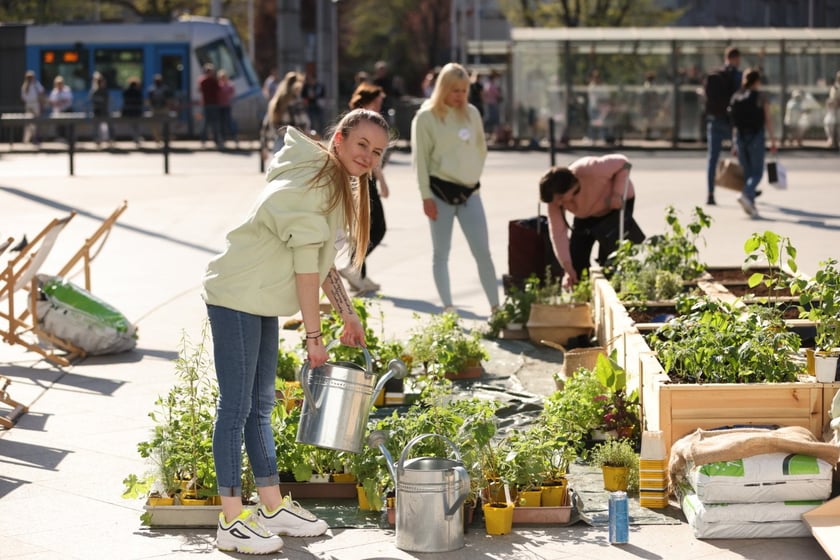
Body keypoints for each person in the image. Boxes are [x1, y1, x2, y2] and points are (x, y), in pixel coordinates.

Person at [202, 108, 390, 554]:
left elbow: (322, 264)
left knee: (260, 404)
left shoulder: (332, 181)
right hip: (236, 295)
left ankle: (271, 505)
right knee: (235, 407)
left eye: (378, 151)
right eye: (362, 144)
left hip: (258, 298)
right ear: (340, 138)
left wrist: (348, 315)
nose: (368, 156)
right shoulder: (313, 187)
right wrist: (314, 338)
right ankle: (230, 520)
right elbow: (307, 273)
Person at [410, 62, 499, 315]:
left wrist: (472, 174)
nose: (460, 96)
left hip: (471, 193)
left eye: (464, 90)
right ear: (443, 89)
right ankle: (448, 308)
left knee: (483, 252)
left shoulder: (472, 113)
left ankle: (496, 307)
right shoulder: (425, 118)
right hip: (439, 194)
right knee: (441, 253)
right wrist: (425, 196)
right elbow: (421, 162)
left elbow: (481, 148)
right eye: (455, 90)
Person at [539, 154, 643, 287]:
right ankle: (585, 297)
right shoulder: (554, 202)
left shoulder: (589, 169)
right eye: (555, 201)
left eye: (560, 198)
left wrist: (617, 194)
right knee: (576, 259)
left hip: (615, 205)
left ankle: (612, 294)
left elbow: (624, 163)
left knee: (610, 259)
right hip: (585, 213)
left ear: (571, 186)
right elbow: (558, 234)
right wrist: (568, 268)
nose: (558, 204)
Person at [338, 83, 390, 293]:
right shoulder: (363, 123)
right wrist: (383, 181)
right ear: (368, 101)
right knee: (377, 228)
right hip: (364, 181)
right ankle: (354, 266)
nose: (380, 106)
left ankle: (359, 274)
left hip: (364, 180)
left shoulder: (363, 121)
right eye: (377, 102)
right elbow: (372, 160)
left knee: (365, 229)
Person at [729, 68, 777, 219]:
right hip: (756, 136)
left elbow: (734, 123)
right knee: (757, 173)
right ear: (757, 81)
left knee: (748, 173)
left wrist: (733, 143)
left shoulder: (736, 96)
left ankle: (751, 205)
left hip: (740, 138)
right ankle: (746, 194)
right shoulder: (761, 96)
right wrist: (773, 139)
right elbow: (767, 119)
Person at [703, 46, 742, 205]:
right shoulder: (737, 75)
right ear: (735, 58)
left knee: (712, 158)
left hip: (714, 120)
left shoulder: (715, 74)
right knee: (741, 154)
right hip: (730, 122)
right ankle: (746, 189)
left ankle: (710, 193)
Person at [260, 71, 309, 160]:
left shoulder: (276, 102)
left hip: (279, 143)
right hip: (295, 143)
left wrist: (264, 147)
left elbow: (266, 126)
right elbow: (304, 124)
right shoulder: (296, 103)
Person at [198, 63, 222, 148]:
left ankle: (203, 140)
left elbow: (199, 90)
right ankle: (216, 140)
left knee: (205, 123)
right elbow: (219, 89)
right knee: (214, 123)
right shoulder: (213, 80)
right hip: (213, 104)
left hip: (206, 104)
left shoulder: (202, 80)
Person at [147, 73, 175, 145]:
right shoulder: (165, 88)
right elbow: (169, 99)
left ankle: (158, 139)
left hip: (155, 109)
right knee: (165, 125)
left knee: (155, 126)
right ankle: (165, 140)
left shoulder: (151, 89)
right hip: (164, 109)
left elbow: (149, 100)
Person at [89, 72, 113, 147]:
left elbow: (106, 101)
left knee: (107, 126)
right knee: (97, 127)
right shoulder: (94, 91)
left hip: (104, 111)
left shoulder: (104, 91)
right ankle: (98, 140)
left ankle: (108, 140)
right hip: (98, 112)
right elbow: (92, 101)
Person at [20, 70, 44, 145]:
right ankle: (26, 140)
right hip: (29, 105)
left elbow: (42, 92)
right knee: (28, 123)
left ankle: (35, 139)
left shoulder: (36, 84)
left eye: (31, 77)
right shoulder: (24, 86)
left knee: (36, 123)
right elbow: (23, 98)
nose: (30, 78)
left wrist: (40, 103)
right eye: (29, 77)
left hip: (36, 105)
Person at [48, 75, 73, 141]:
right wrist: (57, 102)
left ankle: (69, 139)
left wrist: (59, 102)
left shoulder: (67, 89)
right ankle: (60, 138)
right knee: (59, 126)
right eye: (57, 83)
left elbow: (68, 100)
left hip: (67, 110)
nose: (59, 85)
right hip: (58, 111)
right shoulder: (54, 91)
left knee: (68, 126)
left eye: (60, 83)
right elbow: (51, 101)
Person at [301, 70, 326, 136]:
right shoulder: (306, 86)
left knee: (321, 121)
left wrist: (315, 97)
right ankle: (312, 135)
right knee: (310, 122)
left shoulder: (319, 86)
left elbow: (323, 96)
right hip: (309, 106)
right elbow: (303, 96)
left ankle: (321, 135)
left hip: (318, 106)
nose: (310, 81)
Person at [121, 76, 145, 145]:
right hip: (137, 112)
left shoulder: (126, 91)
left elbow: (124, 101)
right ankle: (137, 137)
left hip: (129, 112)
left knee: (133, 126)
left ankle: (135, 137)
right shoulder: (138, 92)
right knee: (137, 125)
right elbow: (141, 102)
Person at [217, 69, 236, 147]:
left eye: (224, 77)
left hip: (227, 106)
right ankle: (222, 138)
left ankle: (234, 137)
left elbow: (232, 93)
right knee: (221, 123)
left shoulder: (230, 85)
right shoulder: (218, 85)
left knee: (228, 122)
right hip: (220, 106)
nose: (223, 78)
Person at [825, 70, 840, 149]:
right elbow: (833, 99)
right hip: (834, 109)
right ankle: (832, 140)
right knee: (830, 123)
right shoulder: (835, 87)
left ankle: (835, 141)